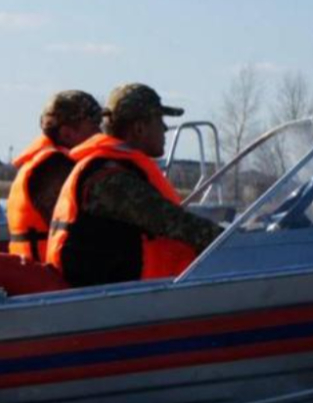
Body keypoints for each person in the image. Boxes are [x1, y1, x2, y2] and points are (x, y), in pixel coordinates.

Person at [45, 84, 223, 286]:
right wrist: (234, 242)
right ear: (139, 128)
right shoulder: (109, 178)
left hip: (125, 300)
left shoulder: (111, 168)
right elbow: (172, 222)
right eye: (159, 121)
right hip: (109, 306)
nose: (164, 129)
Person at [7, 90, 103, 261]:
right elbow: (80, 227)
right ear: (66, 133)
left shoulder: (40, 163)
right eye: (94, 125)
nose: (100, 133)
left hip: (35, 274)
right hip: (46, 279)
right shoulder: (53, 168)